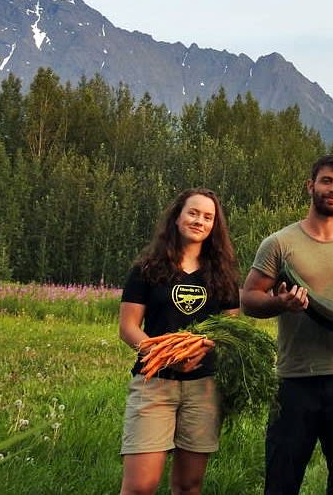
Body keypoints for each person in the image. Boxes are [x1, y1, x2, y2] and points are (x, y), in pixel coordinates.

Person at [241, 155, 333, 495]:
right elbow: (248, 299)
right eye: (326, 181)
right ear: (311, 186)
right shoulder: (279, 244)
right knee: (281, 480)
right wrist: (279, 303)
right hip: (294, 381)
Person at [118, 187, 240, 495]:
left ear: (215, 226)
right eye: (193, 213)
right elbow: (128, 327)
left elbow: (230, 327)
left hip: (204, 388)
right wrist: (166, 354)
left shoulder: (223, 274)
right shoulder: (146, 268)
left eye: (208, 217)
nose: (199, 221)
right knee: (140, 486)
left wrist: (204, 348)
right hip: (154, 382)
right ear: (177, 217)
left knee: (188, 485)